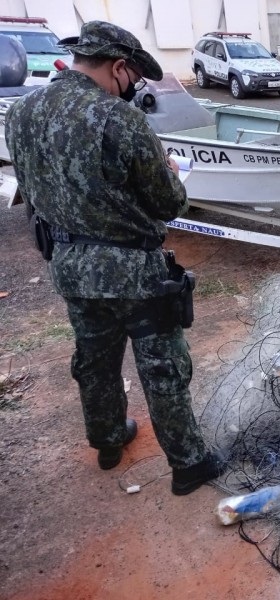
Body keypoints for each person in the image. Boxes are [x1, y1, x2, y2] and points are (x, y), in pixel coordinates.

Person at [4, 21, 222, 495]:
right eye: (135, 77)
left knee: (95, 360)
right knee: (162, 365)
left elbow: (32, 190)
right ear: (118, 67)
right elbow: (169, 204)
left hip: (69, 264)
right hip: (132, 273)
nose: (134, 87)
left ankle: (107, 441)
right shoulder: (118, 119)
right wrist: (170, 172)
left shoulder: (19, 112)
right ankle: (189, 464)